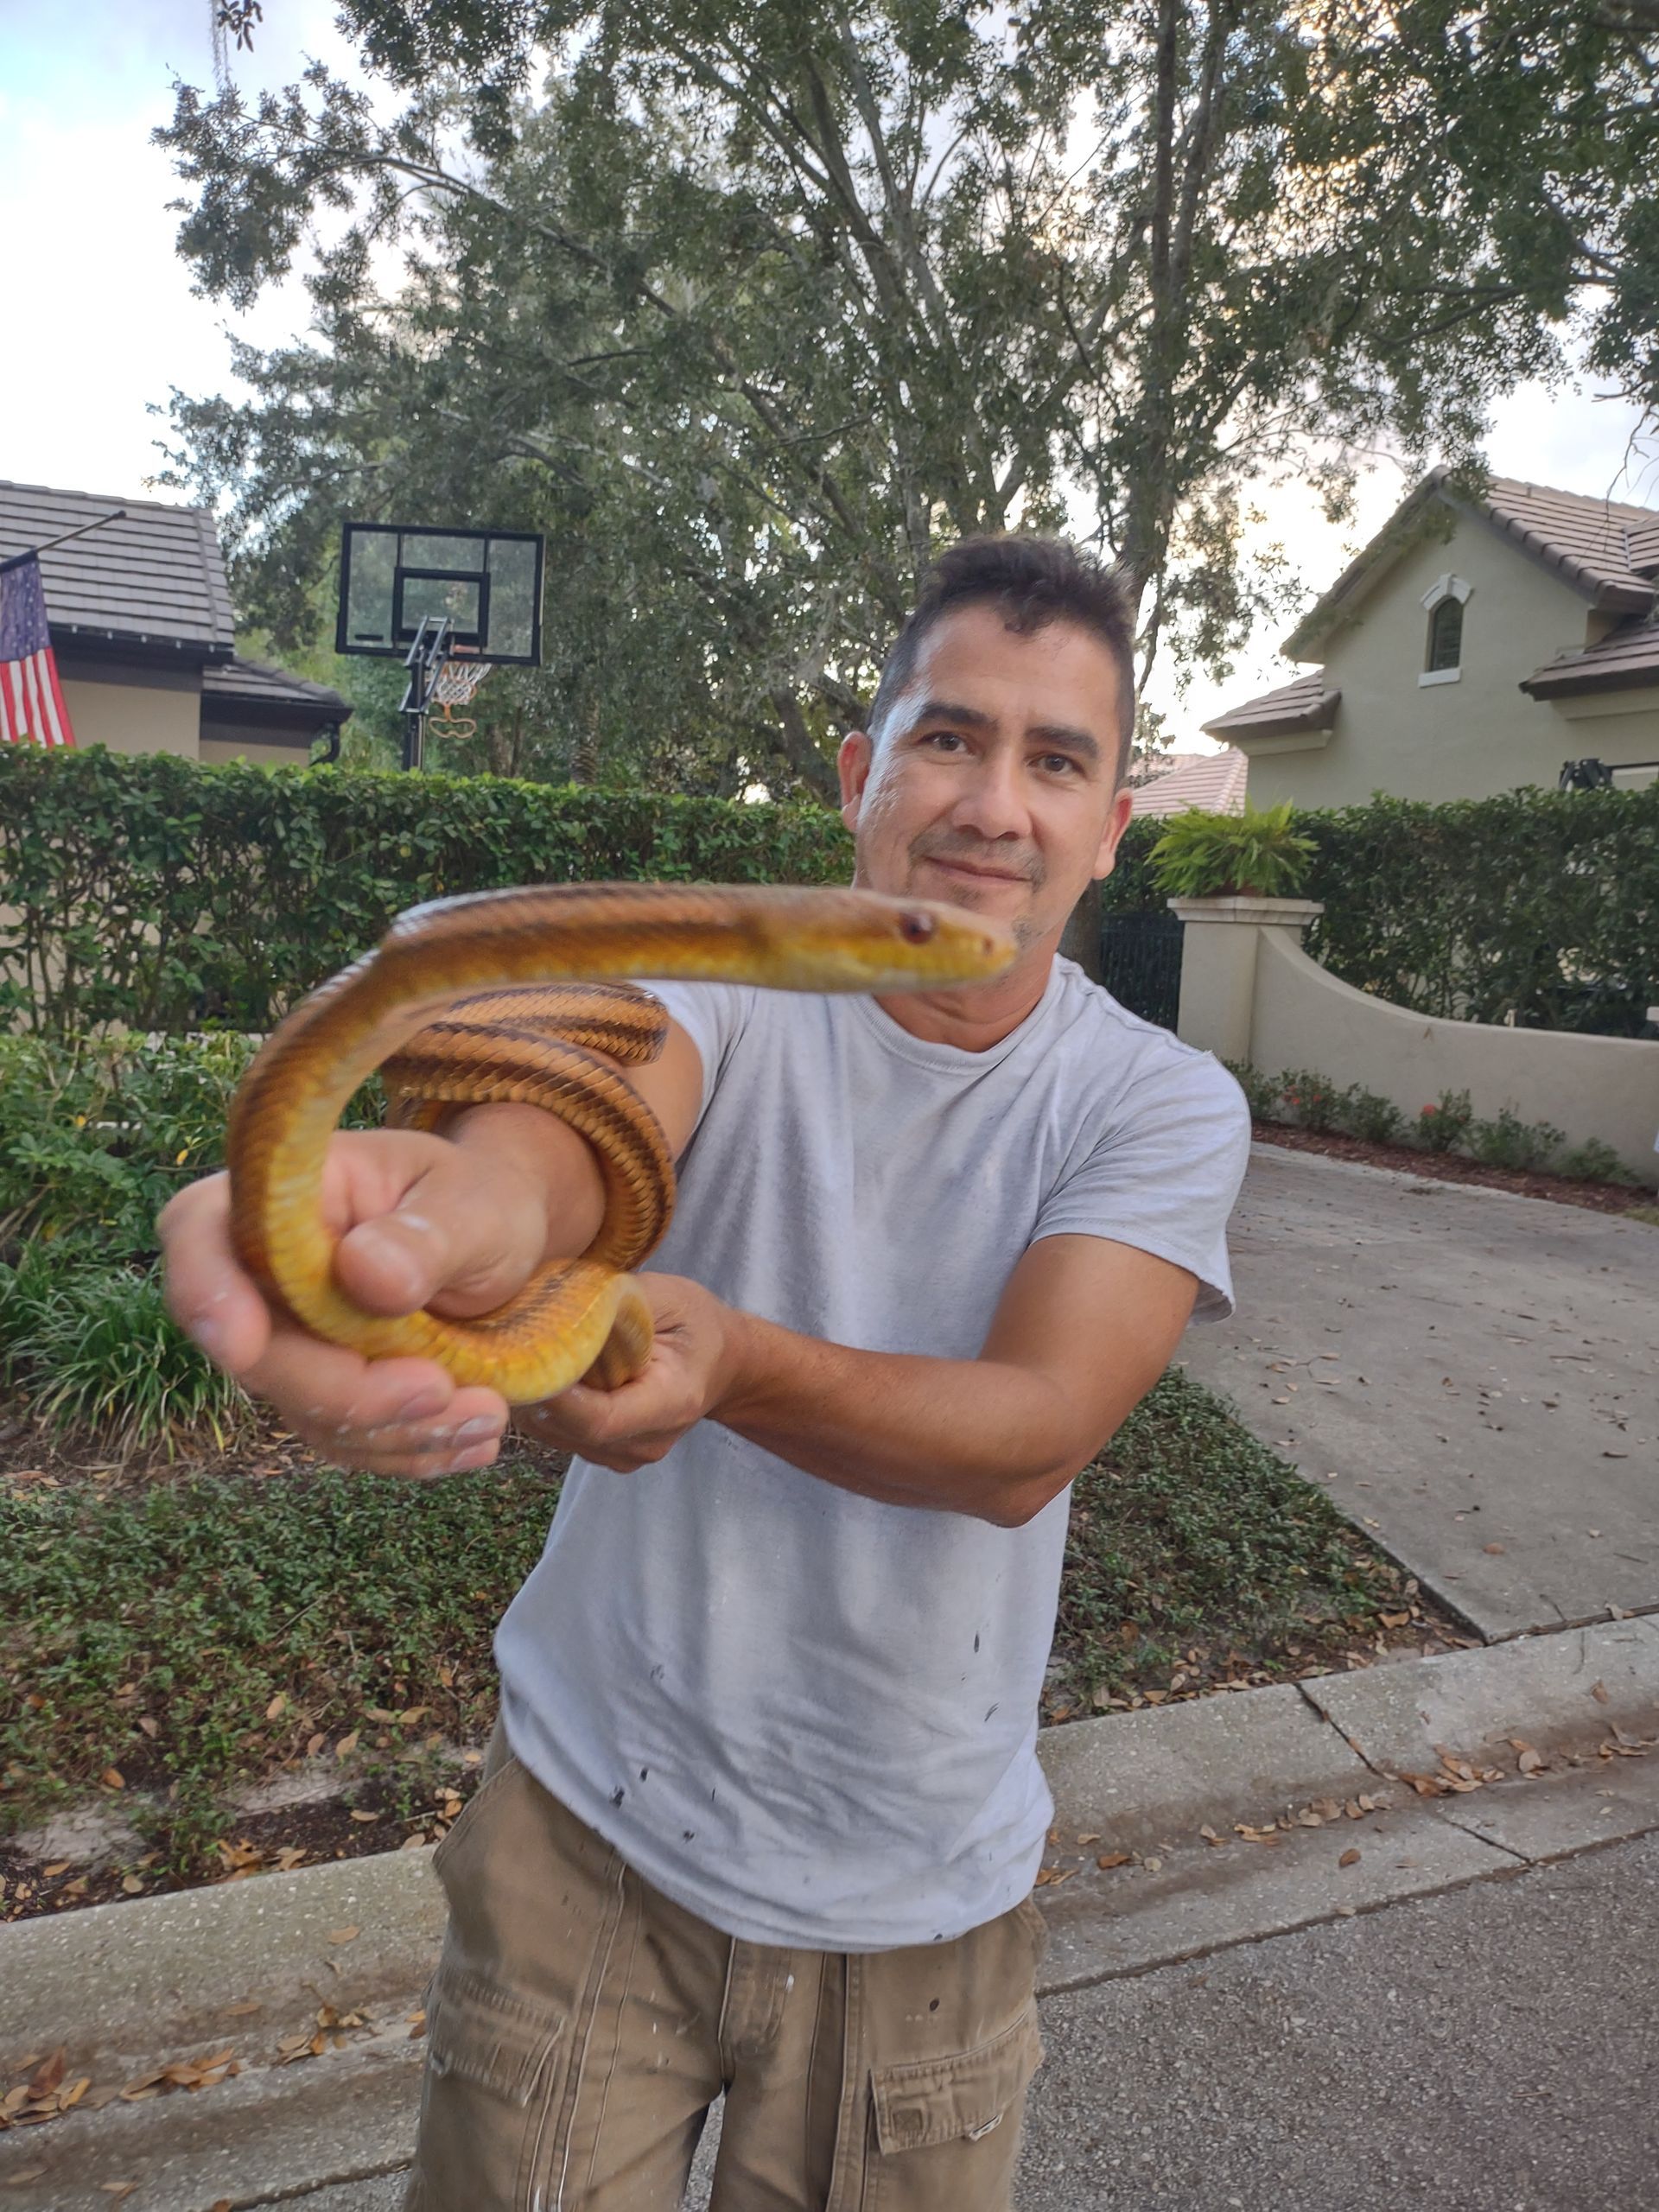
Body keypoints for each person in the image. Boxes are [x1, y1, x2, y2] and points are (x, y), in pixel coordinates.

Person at [159, 534, 1251, 2211]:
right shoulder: (732, 990)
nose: (992, 803)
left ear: (1110, 827)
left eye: (1056, 760)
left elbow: (1029, 1434)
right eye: (949, 736)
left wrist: (729, 1355)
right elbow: (584, 1125)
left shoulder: (1156, 1104)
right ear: (859, 774)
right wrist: (460, 1219)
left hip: (921, 1916)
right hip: (589, 1841)